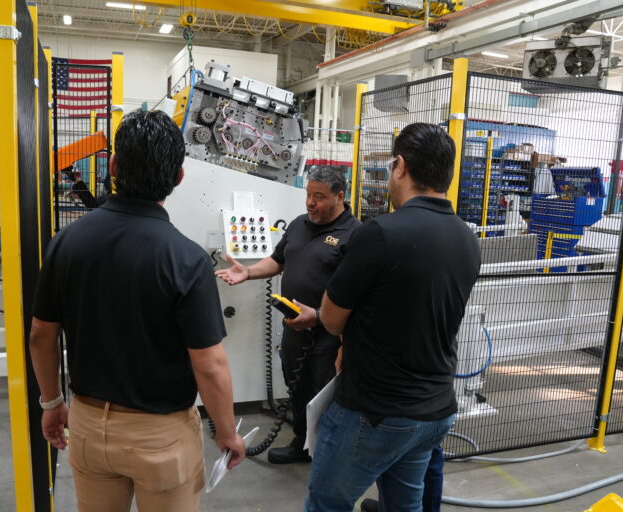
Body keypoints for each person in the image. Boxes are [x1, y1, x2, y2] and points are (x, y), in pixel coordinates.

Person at [29, 109, 246, 512]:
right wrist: (228, 431)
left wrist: (50, 402)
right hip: (160, 436)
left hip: (89, 426)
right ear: (178, 177)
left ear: (112, 166)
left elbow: (41, 334)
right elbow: (210, 365)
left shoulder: (66, 243)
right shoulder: (187, 259)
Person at [305, 123, 481, 512]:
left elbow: (332, 319)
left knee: (326, 504)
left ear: (399, 165)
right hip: (434, 409)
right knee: (405, 506)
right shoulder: (467, 238)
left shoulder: (380, 232)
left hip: (376, 412)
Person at [215, 167, 360, 464]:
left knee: (325, 398)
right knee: (298, 390)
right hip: (294, 329)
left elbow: (357, 295)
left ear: (339, 197)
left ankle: (326, 454)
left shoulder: (355, 234)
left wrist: (319, 316)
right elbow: (278, 260)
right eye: (308, 194)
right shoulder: (299, 225)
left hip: (329, 335)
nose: (310, 202)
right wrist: (248, 271)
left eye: (319, 197)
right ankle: (302, 444)